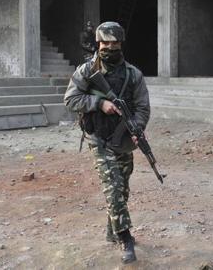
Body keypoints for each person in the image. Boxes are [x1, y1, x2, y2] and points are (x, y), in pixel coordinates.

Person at [64, 21, 150, 264]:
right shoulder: (86, 71)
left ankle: (112, 231)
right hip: (98, 138)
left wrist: (137, 128)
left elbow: (143, 107)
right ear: (98, 43)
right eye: (105, 43)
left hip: (122, 139)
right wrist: (99, 104)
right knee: (112, 186)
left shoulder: (133, 74)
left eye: (114, 43)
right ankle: (125, 237)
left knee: (121, 188)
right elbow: (70, 99)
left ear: (121, 43)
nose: (109, 48)